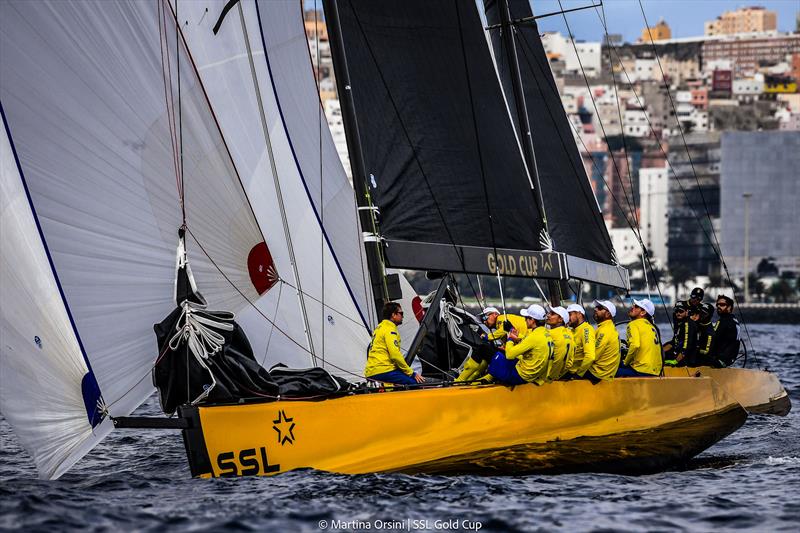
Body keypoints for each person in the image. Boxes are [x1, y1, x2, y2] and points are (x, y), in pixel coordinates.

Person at [486, 304, 553, 385]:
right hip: (535, 374)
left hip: (521, 376)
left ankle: (490, 379)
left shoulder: (533, 337)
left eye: (526, 318)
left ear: (532, 320)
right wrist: (516, 336)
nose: (524, 320)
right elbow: (529, 341)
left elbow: (509, 355)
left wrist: (510, 339)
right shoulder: (546, 334)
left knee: (497, 355)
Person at [456, 306, 527, 382]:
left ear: (495, 314)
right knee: (488, 353)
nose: (484, 322)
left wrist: (486, 337)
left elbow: (503, 330)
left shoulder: (502, 318)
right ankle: (479, 378)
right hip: (522, 354)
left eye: (484, 318)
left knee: (482, 348)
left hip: (521, 357)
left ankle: (461, 380)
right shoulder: (506, 323)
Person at [364, 302, 425, 385]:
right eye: (401, 313)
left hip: (372, 371)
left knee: (404, 379)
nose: (403, 316)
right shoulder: (390, 329)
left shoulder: (380, 327)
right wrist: (411, 373)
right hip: (383, 370)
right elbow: (395, 355)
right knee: (414, 383)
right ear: (393, 315)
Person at [617, 298, 662, 377]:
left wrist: (625, 362)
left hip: (641, 370)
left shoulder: (633, 324)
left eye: (636, 307)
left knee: (610, 372)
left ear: (643, 312)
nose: (632, 307)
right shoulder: (652, 326)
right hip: (655, 372)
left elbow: (635, 345)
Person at [586, 300, 620, 382]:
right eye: (596, 307)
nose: (595, 309)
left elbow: (593, 355)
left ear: (608, 314)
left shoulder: (604, 331)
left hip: (598, 374)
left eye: (600, 308)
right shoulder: (608, 327)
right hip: (605, 372)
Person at [565, 304, 596, 379]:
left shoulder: (586, 330)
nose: (567, 318)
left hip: (574, 373)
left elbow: (590, 356)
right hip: (567, 370)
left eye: (569, 314)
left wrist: (578, 374)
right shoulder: (570, 330)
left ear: (579, 314)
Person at [663, 301, 698, 367]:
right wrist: (660, 351)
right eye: (676, 311)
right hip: (678, 352)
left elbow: (686, 346)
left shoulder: (688, 324)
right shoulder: (679, 322)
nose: (678, 313)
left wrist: (675, 361)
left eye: (681, 311)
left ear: (687, 312)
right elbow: (674, 342)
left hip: (688, 359)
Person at [710, 295, 741, 367]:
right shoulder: (734, 320)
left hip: (721, 360)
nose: (718, 307)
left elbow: (713, 338)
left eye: (722, 305)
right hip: (730, 359)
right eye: (717, 305)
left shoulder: (724, 321)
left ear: (729, 307)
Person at [545, 306, 574, 382]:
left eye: (552, 314)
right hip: (560, 375)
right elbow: (570, 362)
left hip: (546, 376)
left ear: (560, 319)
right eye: (549, 313)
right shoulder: (570, 334)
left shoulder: (549, 333)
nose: (548, 315)